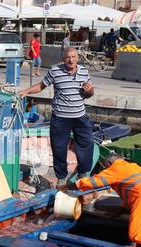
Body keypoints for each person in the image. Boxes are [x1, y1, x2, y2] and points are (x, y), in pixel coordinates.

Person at [72, 152, 141, 247]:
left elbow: (93, 182)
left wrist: (74, 185)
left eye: (105, 167)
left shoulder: (115, 168)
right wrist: (123, 208)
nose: (105, 169)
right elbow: (130, 190)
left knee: (137, 233)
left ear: (108, 164)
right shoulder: (132, 166)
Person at [19, 47, 95, 188]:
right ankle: (61, 177)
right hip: (60, 117)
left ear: (77, 58)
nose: (70, 60)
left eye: (73, 57)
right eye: (68, 57)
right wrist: (26, 91)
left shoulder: (84, 72)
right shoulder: (55, 71)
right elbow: (41, 85)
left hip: (79, 116)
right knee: (59, 148)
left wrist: (89, 91)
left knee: (86, 145)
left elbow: (89, 94)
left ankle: (83, 173)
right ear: (63, 58)